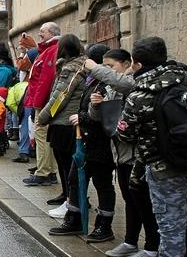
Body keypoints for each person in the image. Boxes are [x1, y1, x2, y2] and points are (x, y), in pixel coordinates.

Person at [116, 37, 187, 257]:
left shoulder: (140, 94)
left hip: (164, 166)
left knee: (171, 224)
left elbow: (125, 134)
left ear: (137, 63)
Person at [88, 48, 160, 257]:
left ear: (128, 63)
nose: (106, 70)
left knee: (143, 201)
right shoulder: (111, 86)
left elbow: (126, 85)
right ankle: (130, 241)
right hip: (119, 151)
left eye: (110, 66)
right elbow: (99, 118)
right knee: (130, 200)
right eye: (105, 66)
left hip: (135, 153)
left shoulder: (133, 81)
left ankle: (152, 247)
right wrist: (95, 105)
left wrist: (96, 69)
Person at [48, 44, 117, 241]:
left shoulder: (106, 84)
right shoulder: (91, 82)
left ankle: (104, 226)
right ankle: (74, 218)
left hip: (100, 143)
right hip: (86, 141)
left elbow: (108, 114)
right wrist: (82, 116)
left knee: (103, 184)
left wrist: (83, 118)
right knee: (75, 179)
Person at [35, 34, 85, 208]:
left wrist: (43, 117)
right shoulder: (80, 65)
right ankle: (67, 195)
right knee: (66, 164)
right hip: (68, 122)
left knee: (66, 164)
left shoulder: (70, 69)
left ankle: (71, 199)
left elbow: (59, 97)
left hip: (64, 123)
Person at [21, 24, 61, 186]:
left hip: (43, 102)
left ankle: (44, 172)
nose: (39, 34)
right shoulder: (48, 50)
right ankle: (49, 171)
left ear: (51, 33)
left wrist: (37, 104)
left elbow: (45, 80)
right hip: (43, 101)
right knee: (45, 136)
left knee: (42, 135)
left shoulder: (51, 51)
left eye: (42, 32)